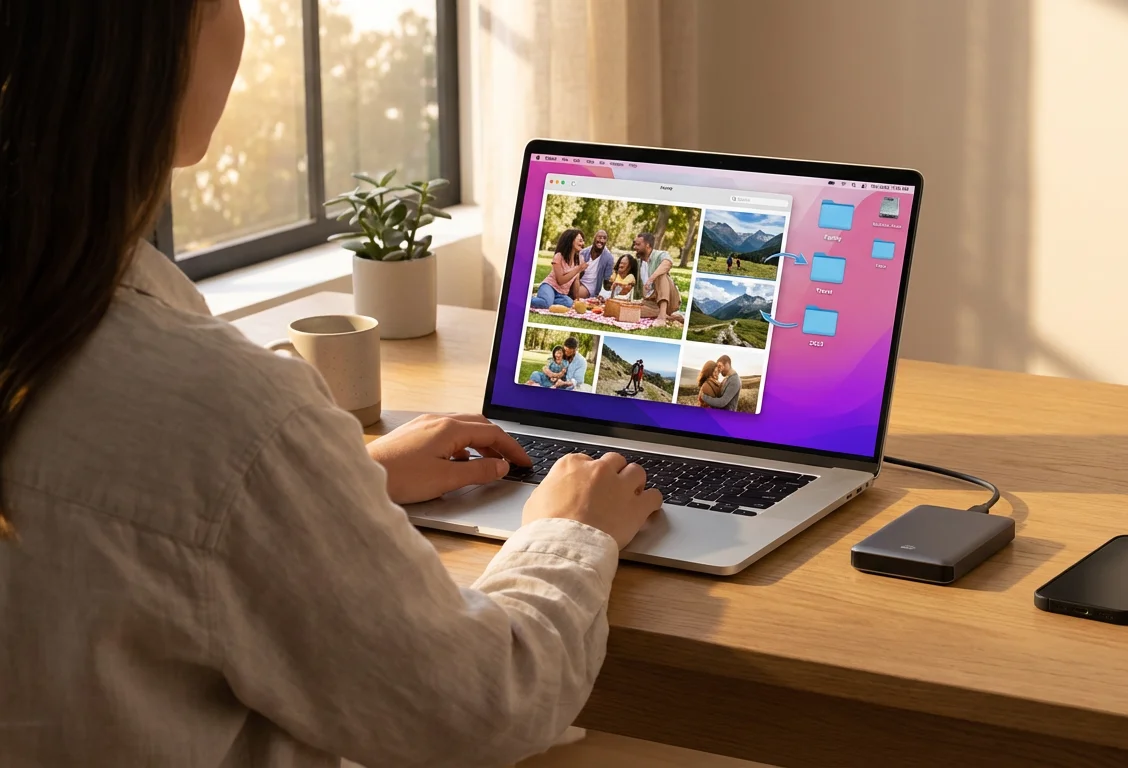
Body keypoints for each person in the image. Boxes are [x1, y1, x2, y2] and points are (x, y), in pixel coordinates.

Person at [0, 4, 662, 767]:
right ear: (149, 53)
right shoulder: (222, 413)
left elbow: (121, 528)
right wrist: (571, 530)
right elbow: (478, 705)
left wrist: (338, 485)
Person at [631, 232, 683, 327]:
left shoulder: (659, 254)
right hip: (651, 302)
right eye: (635, 244)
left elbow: (667, 263)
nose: (635, 247)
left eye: (638, 244)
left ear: (647, 245)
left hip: (669, 300)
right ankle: (669, 317)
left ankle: (662, 317)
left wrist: (651, 278)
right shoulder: (639, 263)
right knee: (631, 311)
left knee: (660, 275)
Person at [530, 228, 587, 309]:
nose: (583, 243)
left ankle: (547, 299)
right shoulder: (559, 256)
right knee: (546, 304)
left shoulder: (580, 260)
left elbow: (576, 280)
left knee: (569, 303)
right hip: (549, 286)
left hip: (561, 294)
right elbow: (560, 281)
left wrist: (577, 299)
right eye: (580, 240)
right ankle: (526, 299)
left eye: (583, 241)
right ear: (570, 241)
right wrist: (578, 269)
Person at [575, 229, 615, 301]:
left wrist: (615, 283)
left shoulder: (608, 258)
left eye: (604, 238)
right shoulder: (583, 252)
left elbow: (607, 282)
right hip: (578, 281)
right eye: (599, 237)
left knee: (575, 293)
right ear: (594, 238)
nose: (602, 240)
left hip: (590, 286)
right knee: (565, 289)